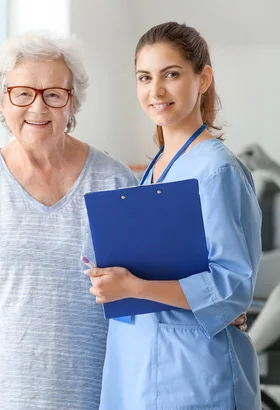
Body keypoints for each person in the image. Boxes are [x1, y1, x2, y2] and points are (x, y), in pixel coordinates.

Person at [0, 33, 138, 410]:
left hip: (86, 394)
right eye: (23, 93)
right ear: (3, 100)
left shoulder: (115, 182)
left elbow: (141, 288)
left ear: (73, 104)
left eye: (54, 94)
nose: (38, 108)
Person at [84, 22, 262, 409]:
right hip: (139, 364)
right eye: (144, 77)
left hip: (194, 373)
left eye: (172, 74)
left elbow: (231, 287)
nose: (155, 90)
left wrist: (133, 287)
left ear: (204, 78)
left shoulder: (217, 170)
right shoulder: (156, 169)